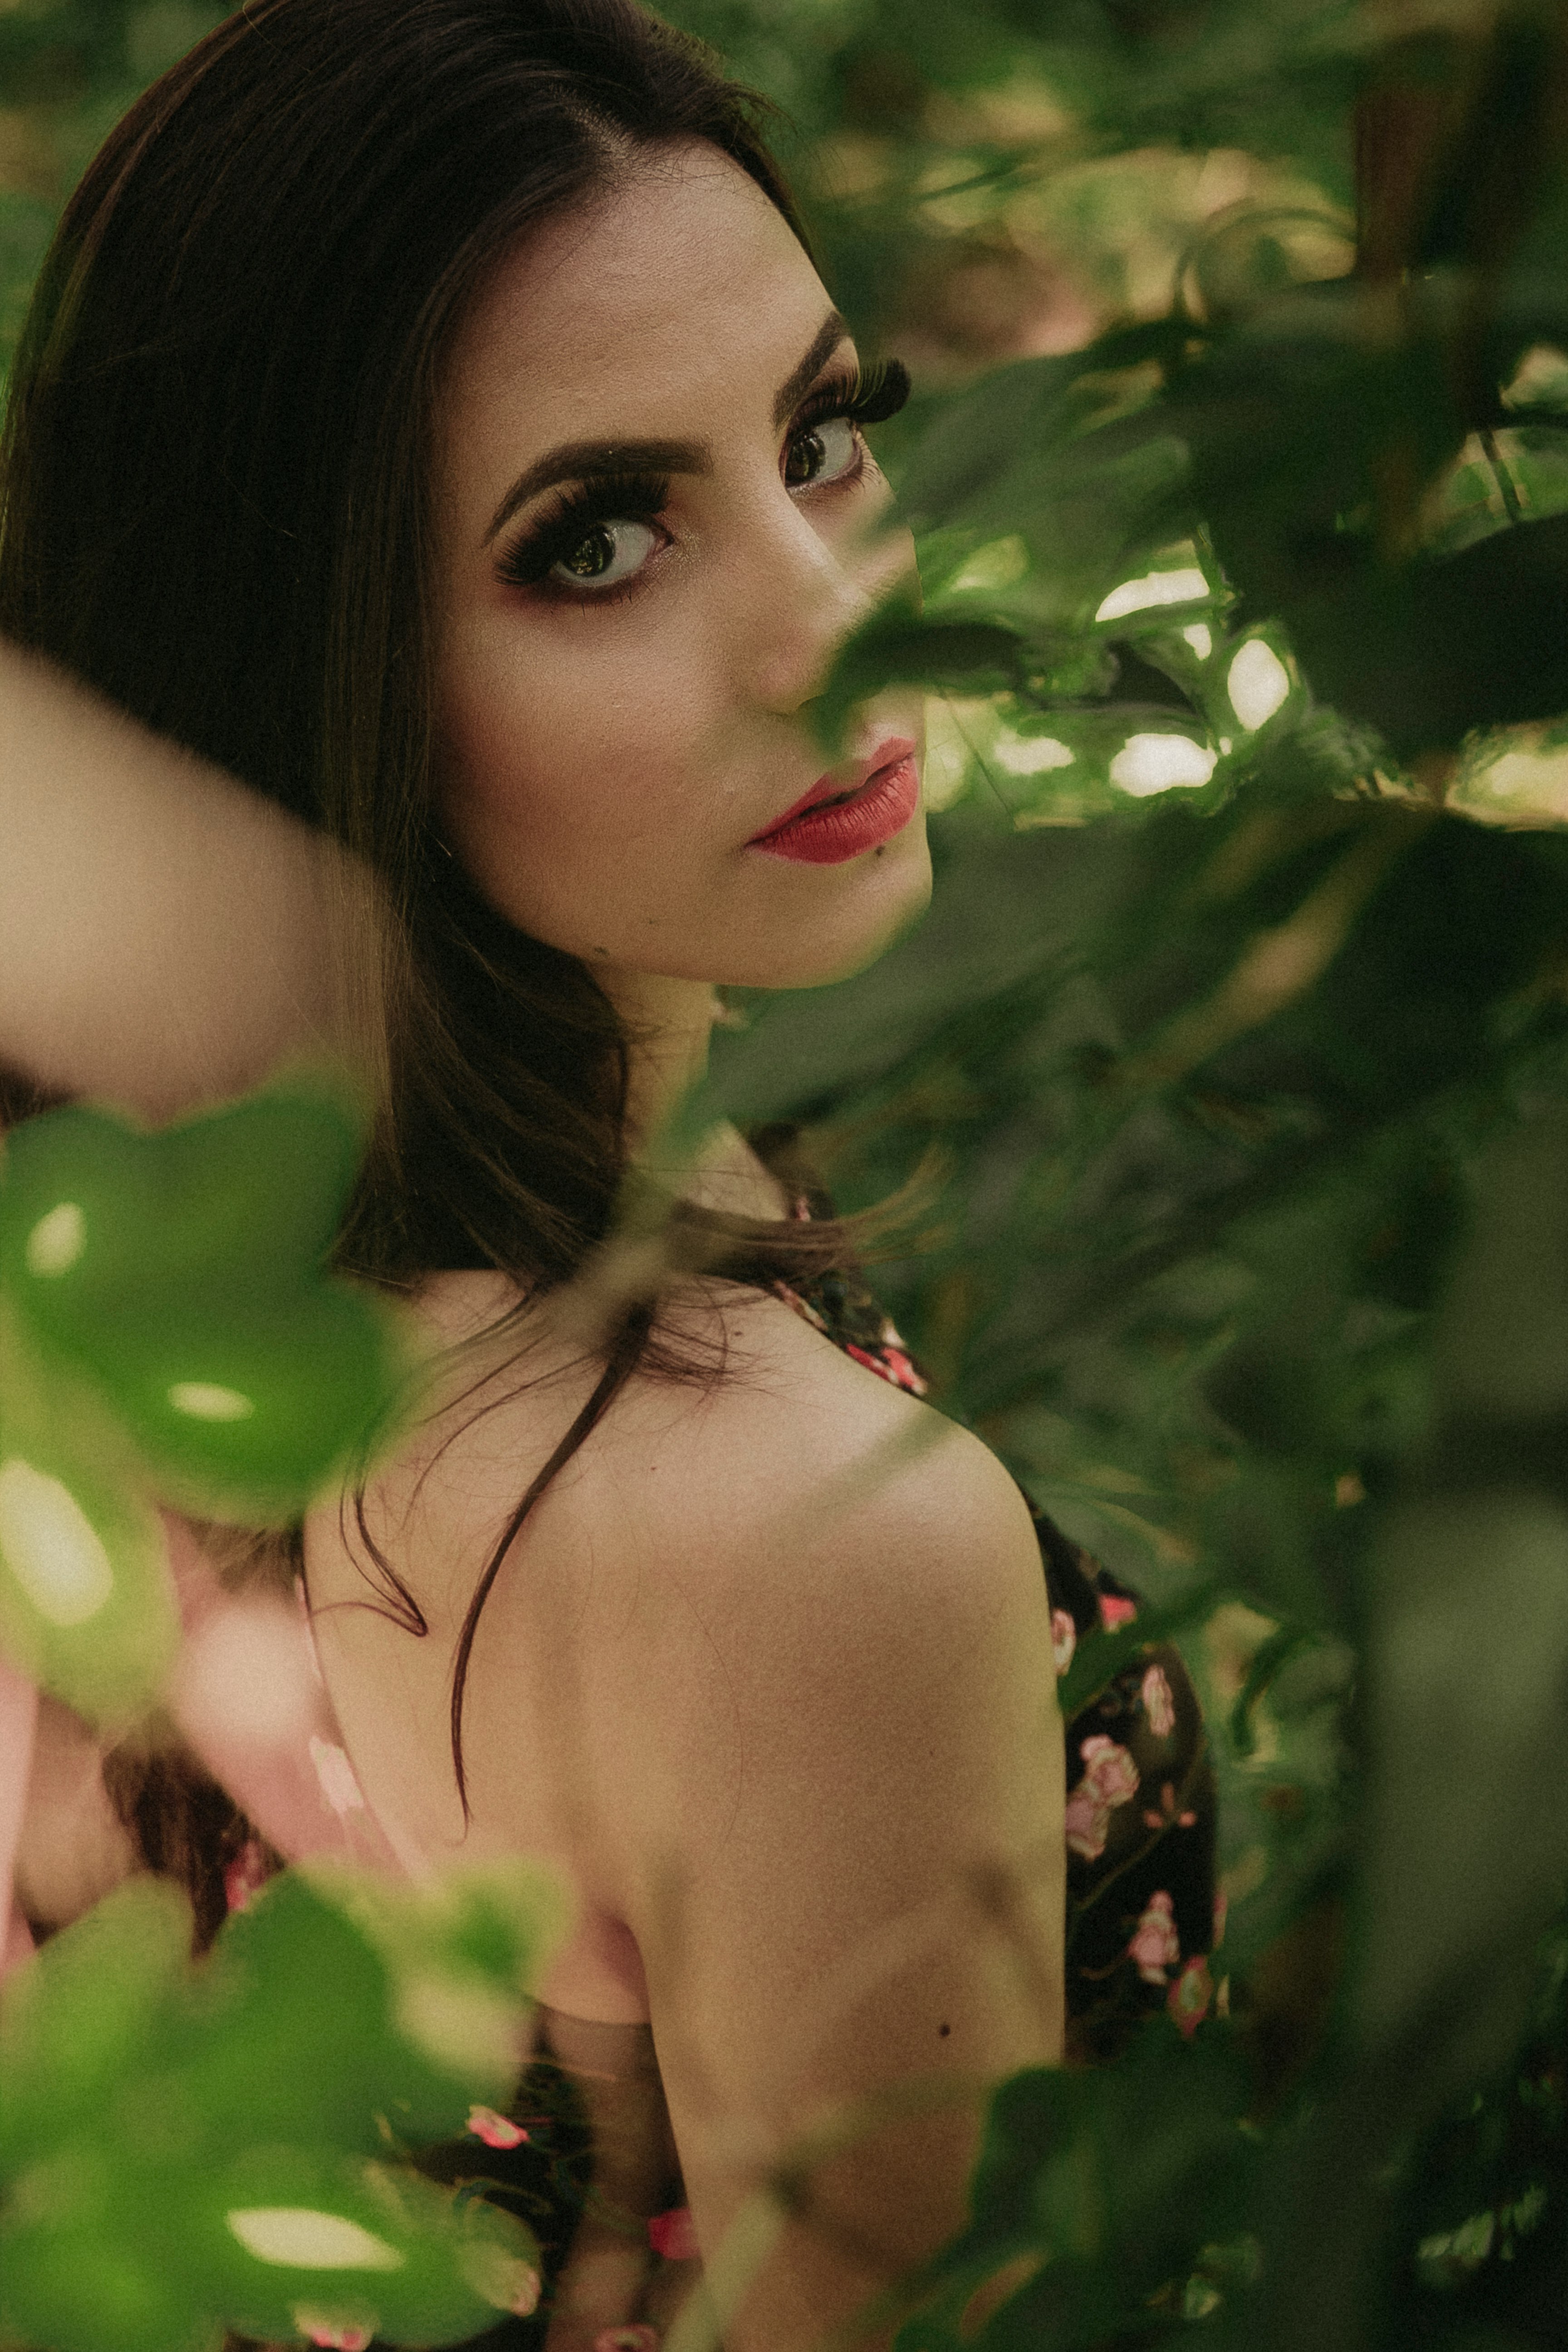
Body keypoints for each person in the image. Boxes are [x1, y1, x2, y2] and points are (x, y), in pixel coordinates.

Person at [0, 5, 1215, 2348]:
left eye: (823, 436)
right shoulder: (804, 1537)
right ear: (310, 656)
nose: (828, 617)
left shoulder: (125, 1258)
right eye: (598, 540)